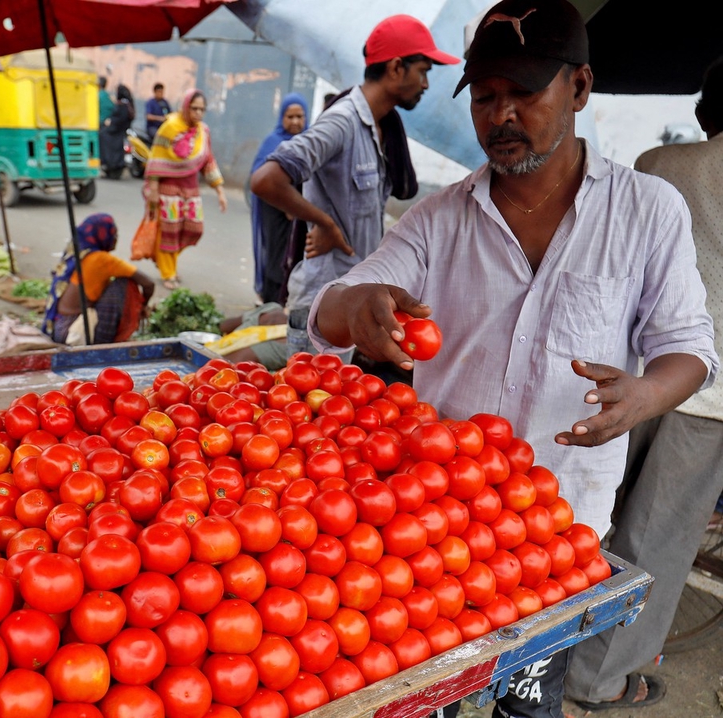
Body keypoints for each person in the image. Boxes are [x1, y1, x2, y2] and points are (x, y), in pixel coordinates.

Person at [309, 1, 718, 716]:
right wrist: (362, 307)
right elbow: (335, 301)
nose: (501, 115)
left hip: (555, 531)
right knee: (422, 696)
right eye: (487, 97)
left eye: (524, 93)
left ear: (580, 88)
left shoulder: (649, 210)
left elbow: (688, 348)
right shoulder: (440, 219)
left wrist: (645, 397)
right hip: (429, 523)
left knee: (528, 704)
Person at [562, 55, 723, 713]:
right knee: (655, 539)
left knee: (586, 516)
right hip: (708, 395)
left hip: (628, 376)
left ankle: (536, 645)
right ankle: (597, 679)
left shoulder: (663, 164)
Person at [249, 14, 459, 358]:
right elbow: (266, 179)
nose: (425, 84)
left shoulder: (378, 128)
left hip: (350, 303)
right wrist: (324, 222)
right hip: (323, 306)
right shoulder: (343, 121)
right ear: (395, 68)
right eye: (422, 71)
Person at [143, 89, 227, 290]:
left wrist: (220, 190)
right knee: (169, 231)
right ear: (186, 107)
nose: (198, 113)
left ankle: (166, 260)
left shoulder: (203, 132)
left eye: (202, 110)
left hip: (191, 189)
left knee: (193, 228)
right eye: (194, 108)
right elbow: (156, 159)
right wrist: (153, 190)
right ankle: (168, 272)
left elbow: (208, 160)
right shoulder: (170, 127)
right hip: (168, 188)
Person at [43, 213, 155, 345]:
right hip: (73, 331)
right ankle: (109, 340)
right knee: (124, 284)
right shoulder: (101, 259)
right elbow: (148, 283)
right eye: (114, 233)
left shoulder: (77, 253)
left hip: (57, 327)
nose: (116, 238)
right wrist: (144, 305)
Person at [250, 93, 308, 304]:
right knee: (277, 254)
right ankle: (272, 302)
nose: (295, 122)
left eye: (299, 116)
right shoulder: (272, 142)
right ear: (282, 118)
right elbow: (258, 177)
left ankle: (288, 301)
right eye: (290, 116)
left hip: (301, 213)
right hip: (275, 211)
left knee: (297, 257)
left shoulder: (311, 141)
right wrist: (285, 203)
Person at [100, 84, 135, 179]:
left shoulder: (123, 104)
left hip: (115, 130)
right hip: (118, 130)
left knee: (102, 135)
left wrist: (111, 123)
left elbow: (120, 118)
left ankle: (108, 162)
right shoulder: (126, 103)